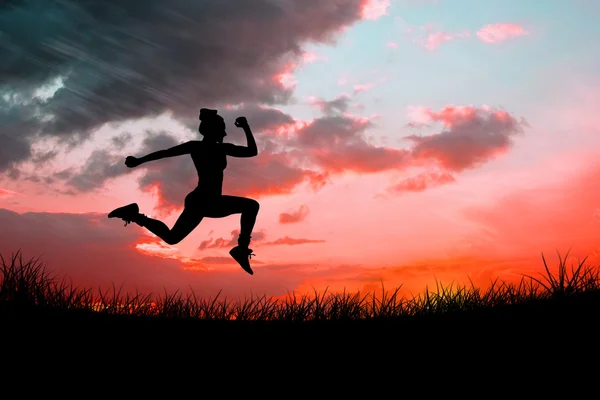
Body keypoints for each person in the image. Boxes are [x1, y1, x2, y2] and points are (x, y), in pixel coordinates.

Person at [108, 108, 260, 275]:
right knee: (251, 206)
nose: (225, 131)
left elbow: (252, 152)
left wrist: (246, 126)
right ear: (214, 130)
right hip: (204, 200)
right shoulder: (203, 147)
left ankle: (134, 215)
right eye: (222, 128)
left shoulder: (221, 148)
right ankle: (241, 248)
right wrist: (139, 160)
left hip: (206, 201)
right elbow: (165, 153)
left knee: (172, 238)